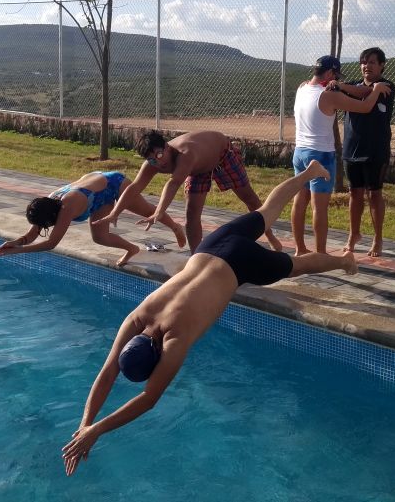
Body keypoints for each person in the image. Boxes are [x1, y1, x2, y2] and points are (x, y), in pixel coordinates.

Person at [61, 160, 357, 476]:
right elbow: (108, 371)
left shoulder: (175, 337)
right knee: (268, 211)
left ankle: (344, 260)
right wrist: (84, 425)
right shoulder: (137, 318)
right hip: (211, 247)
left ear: (156, 357)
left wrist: (97, 429)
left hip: (241, 264)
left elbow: (148, 399)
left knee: (298, 266)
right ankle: (309, 172)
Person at [95, 130, 282, 253]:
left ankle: (271, 237)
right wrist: (114, 213)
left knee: (249, 198)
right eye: (152, 160)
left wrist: (159, 212)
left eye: (159, 155)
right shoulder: (152, 164)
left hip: (222, 155)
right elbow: (135, 187)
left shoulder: (185, 154)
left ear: (167, 147)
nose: (158, 162)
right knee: (192, 214)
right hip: (198, 169)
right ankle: (196, 257)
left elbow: (173, 183)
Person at [291, 55, 391, 255]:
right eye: (335, 77)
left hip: (299, 152)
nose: (335, 81)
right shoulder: (328, 95)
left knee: (299, 201)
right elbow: (365, 107)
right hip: (320, 156)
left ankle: (300, 249)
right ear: (330, 73)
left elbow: (359, 91)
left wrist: (355, 86)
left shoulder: (302, 88)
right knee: (319, 208)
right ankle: (320, 254)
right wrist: (377, 90)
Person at [0, 171, 186, 267]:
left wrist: (19, 251)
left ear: (51, 217)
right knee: (100, 237)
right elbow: (31, 235)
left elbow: (52, 243)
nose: (44, 228)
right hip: (97, 197)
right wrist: (15, 243)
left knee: (146, 211)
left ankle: (175, 227)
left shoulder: (67, 206)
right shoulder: (46, 206)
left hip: (113, 183)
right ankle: (132, 249)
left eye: (45, 225)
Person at [334, 47, 395, 257]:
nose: (366, 66)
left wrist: (342, 86)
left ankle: (378, 239)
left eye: (371, 62)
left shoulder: (386, 86)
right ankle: (354, 234)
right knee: (355, 193)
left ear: (381, 65)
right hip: (351, 149)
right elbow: (346, 91)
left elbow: (366, 93)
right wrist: (335, 85)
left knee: (374, 193)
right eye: (363, 62)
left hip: (375, 150)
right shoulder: (352, 86)